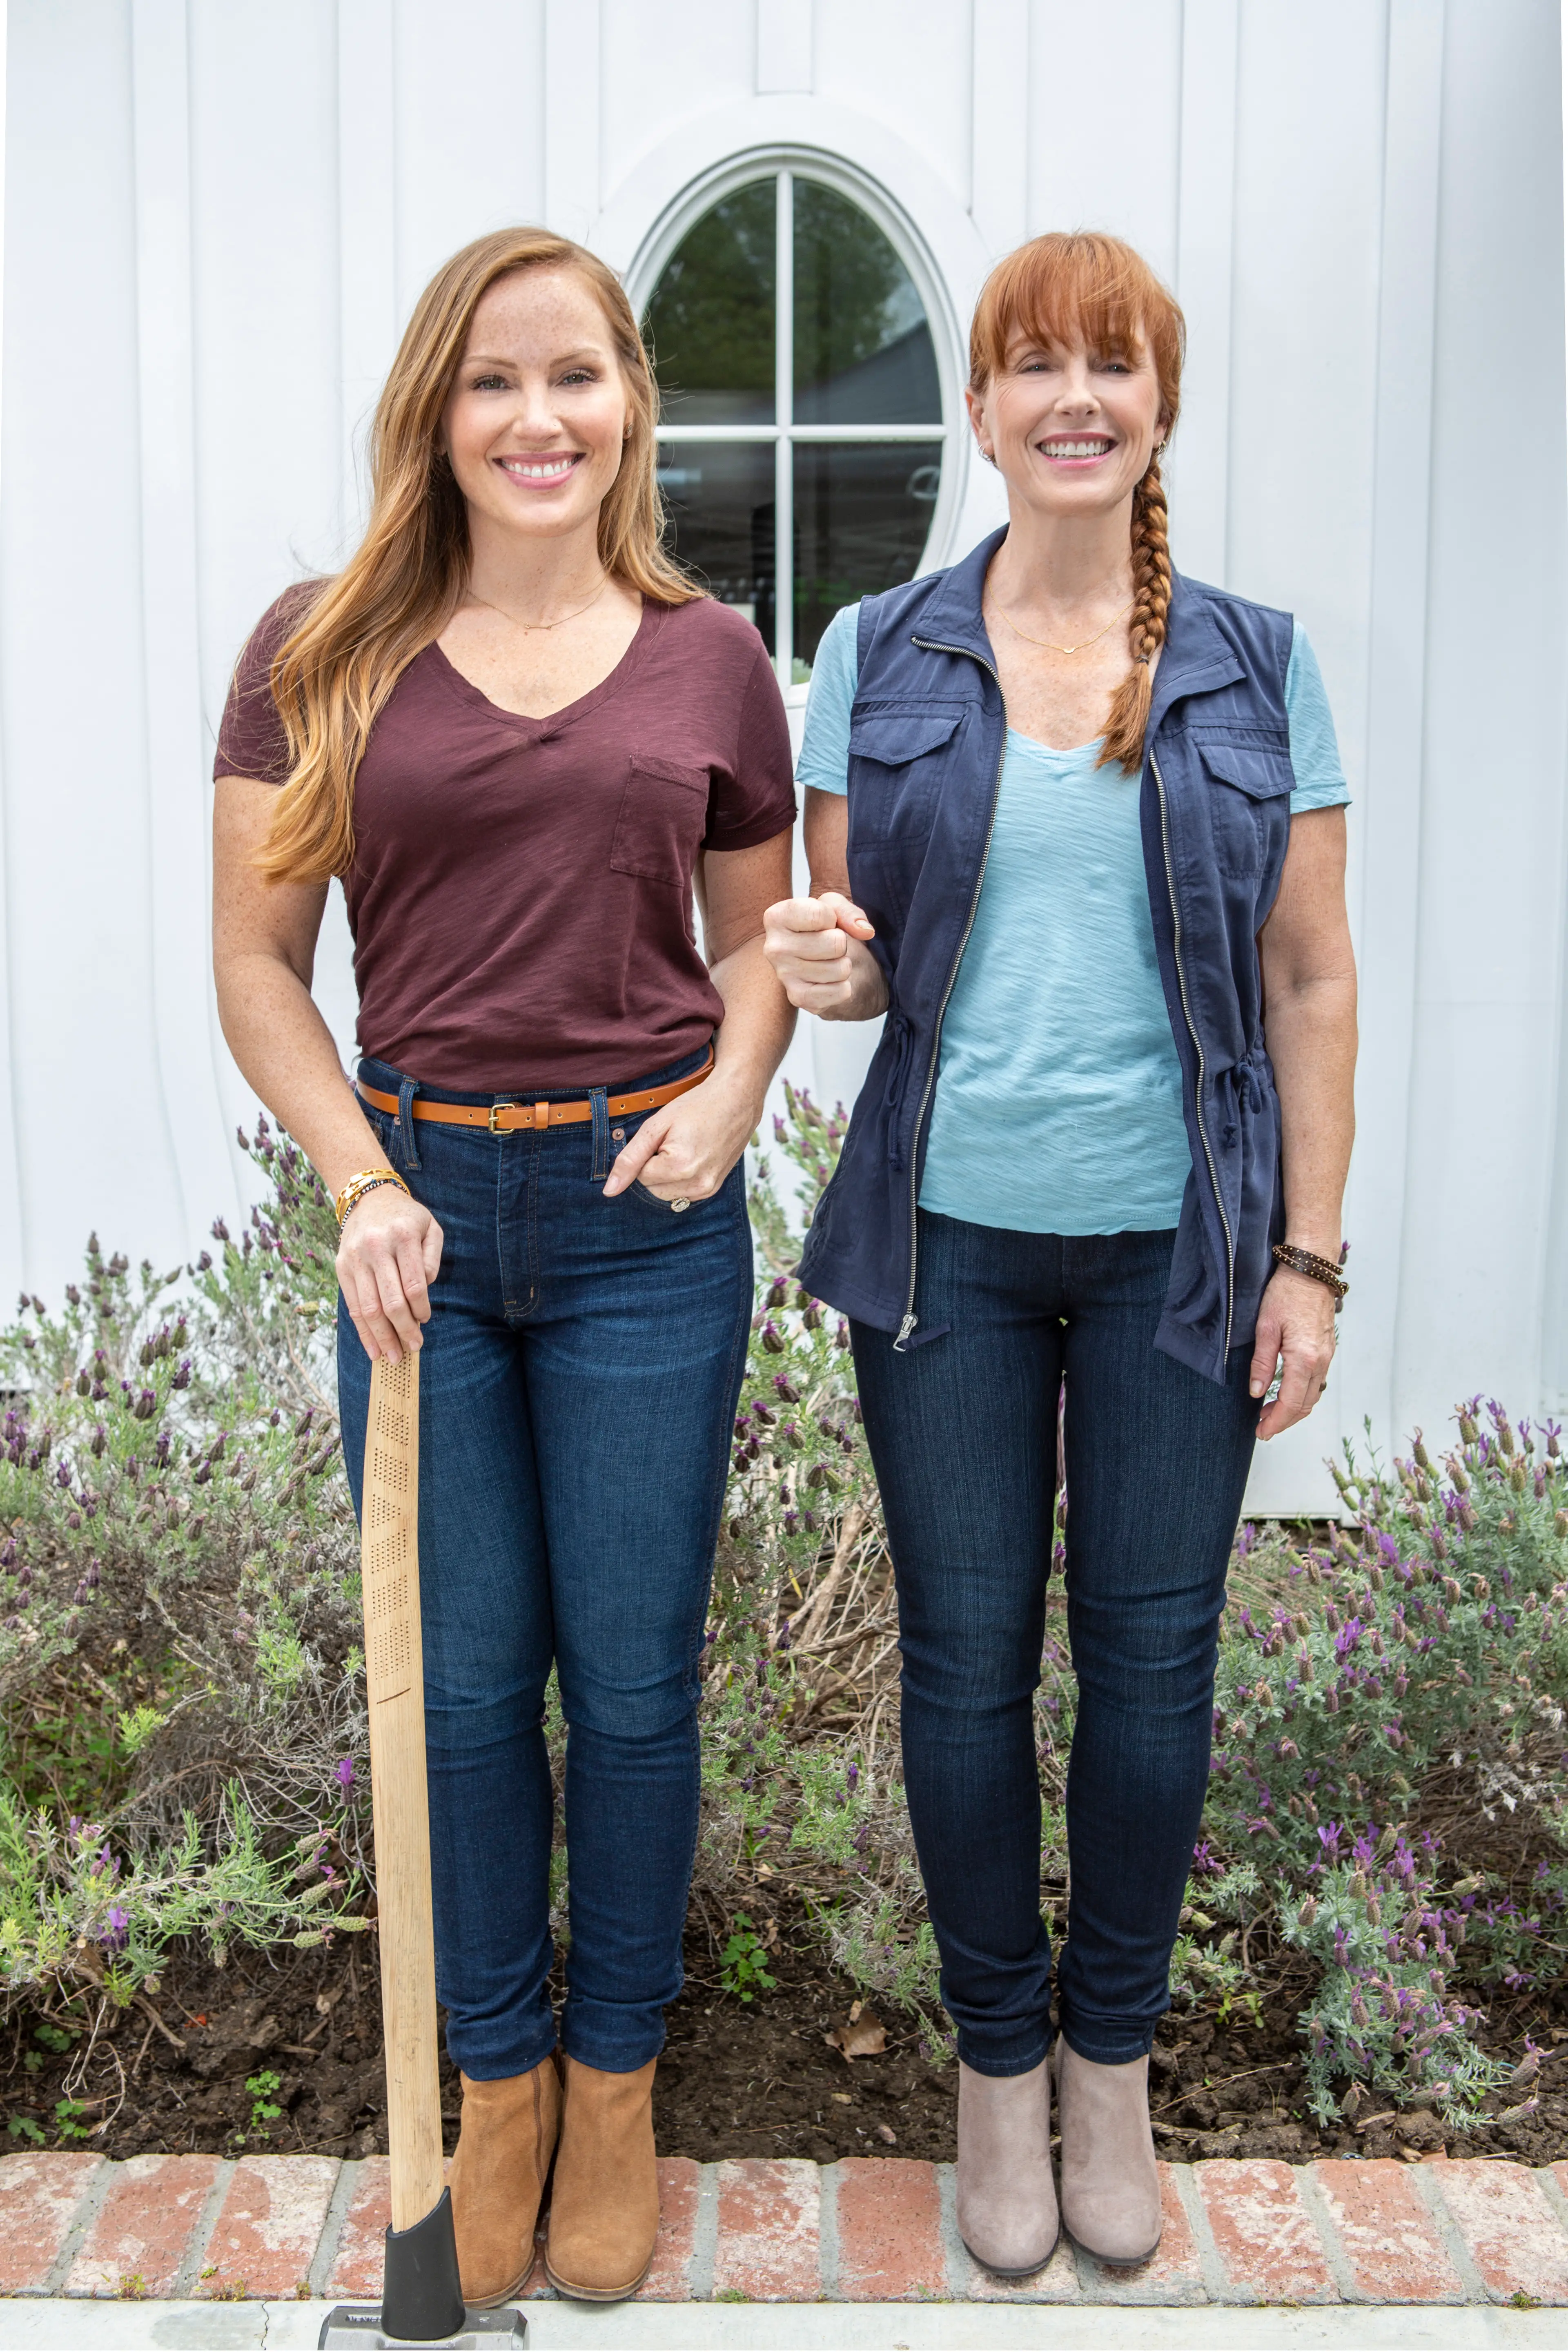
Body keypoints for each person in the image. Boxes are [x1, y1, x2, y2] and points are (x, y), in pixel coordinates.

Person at [211, 227, 796, 2305]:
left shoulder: (714, 655)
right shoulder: (324, 645)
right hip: (426, 1229)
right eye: (493, 382)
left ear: (630, 400)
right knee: (460, 1702)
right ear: (436, 415)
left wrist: (737, 1096)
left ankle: (616, 2076)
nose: (538, 418)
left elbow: (759, 957)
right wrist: (363, 1183)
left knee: (632, 1693)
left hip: (650, 1226)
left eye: (576, 377)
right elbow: (256, 969)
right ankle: (499, 2087)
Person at [763, 231, 1356, 2274]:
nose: (1074, 395)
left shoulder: (1258, 663)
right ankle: (995, 2084)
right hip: (949, 1255)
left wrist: (1316, 1257)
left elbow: (1311, 979)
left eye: (1113, 363)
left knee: (1154, 1674)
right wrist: (822, 970)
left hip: (1185, 1256)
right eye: (1036, 364)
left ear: (1159, 409)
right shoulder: (878, 652)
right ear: (984, 410)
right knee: (961, 1673)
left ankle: (1113, 2071)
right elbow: (853, 970)